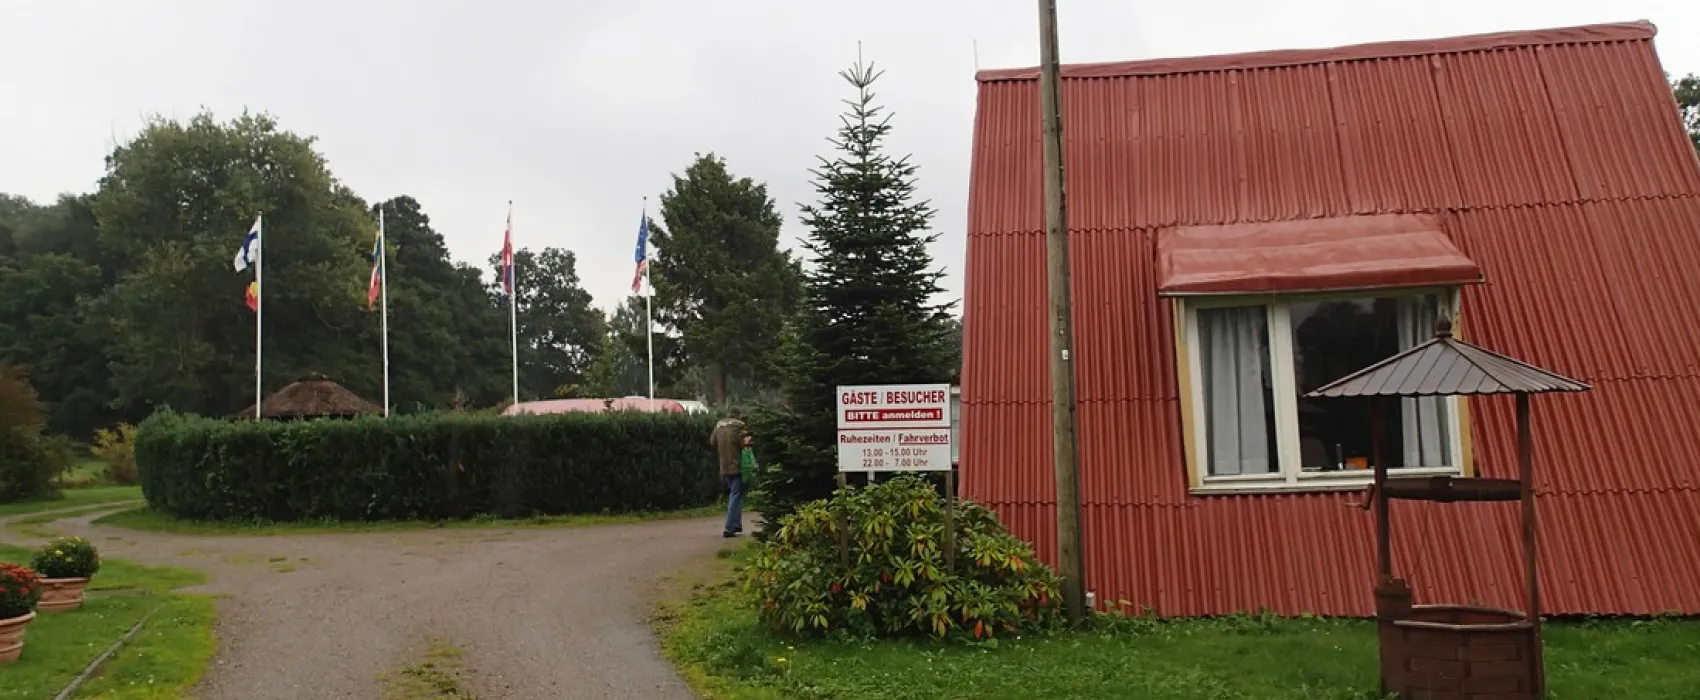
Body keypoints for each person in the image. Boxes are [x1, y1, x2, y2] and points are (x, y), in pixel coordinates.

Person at [709, 408, 748, 537]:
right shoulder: (740, 427)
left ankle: (736, 525)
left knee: (736, 492)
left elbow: (712, 443)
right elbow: (746, 444)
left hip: (724, 465)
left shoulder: (718, 426)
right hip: (737, 464)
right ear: (738, 416)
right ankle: (730, 527)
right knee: (736, 494)